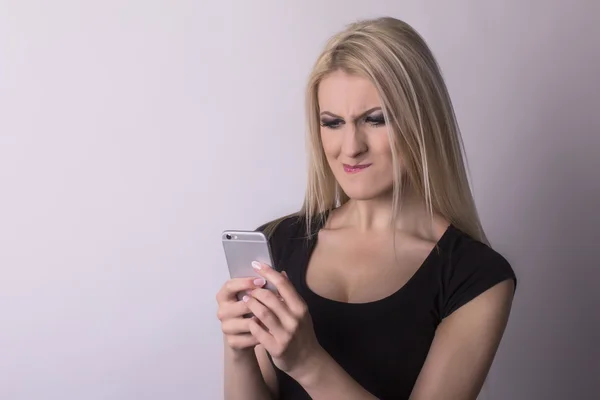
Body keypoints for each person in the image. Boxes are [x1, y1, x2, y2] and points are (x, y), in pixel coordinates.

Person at [216, 16, 517, 400]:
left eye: (375, 120)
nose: (351, 147)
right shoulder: (278, 242)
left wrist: (307, 362)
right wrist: (237, 350)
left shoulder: (476, 277)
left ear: (421, 122)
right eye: (333, 123)